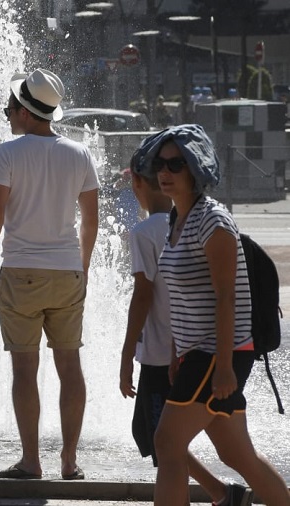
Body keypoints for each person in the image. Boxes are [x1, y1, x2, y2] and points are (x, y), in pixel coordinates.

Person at [132, 124, 290, 506]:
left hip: (217, 354)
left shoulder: (213, 222)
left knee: (167, 443)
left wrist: (222, 367)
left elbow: (225, 298)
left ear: (196, 169)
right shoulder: (177, 221)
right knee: (237, 456)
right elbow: (181, 297)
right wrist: (174, 352)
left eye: (176, 164)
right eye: (160, 165)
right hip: (197, 353)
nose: (165, 173)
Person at [0, 68, 99, 481]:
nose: (7, 115)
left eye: (9, 108)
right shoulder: (79, 154)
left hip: (21, 272)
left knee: (25, 371)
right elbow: (90, 222)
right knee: (70, 366)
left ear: (25, 112)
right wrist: (81, 266)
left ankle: (31, 461)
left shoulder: (9, 152)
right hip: (66, 272)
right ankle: (69, 460)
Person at [119, 147, 253, 506]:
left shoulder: (154, 229)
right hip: (185, 352)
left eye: (173, 165)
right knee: (175, 441)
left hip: (173, 355)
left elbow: (143, 296)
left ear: (136, 184)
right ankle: (223, 492)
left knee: (160, 440)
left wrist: (127, 351)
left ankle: (221, 492)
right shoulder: (177, 223)